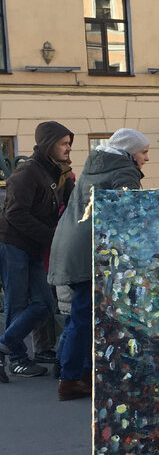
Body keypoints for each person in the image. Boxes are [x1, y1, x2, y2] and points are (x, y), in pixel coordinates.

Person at [49, 129, 150, 401]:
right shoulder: (124, 173)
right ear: (130, 152)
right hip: (89, 250)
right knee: (84, 317)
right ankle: (69, 379)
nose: (146, 158)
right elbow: (131, 216)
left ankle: (81, 374)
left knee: (84, 315)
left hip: (71, 244)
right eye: (144, 152)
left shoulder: (95, 167)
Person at [0, 121, 74, 380]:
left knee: (44, 304)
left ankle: (5, 344)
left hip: (32, 246)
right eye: (63, 144)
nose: (68, 149)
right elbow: (14, 213)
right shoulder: (27, 172)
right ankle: (17, 360)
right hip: (12, 244)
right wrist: (52, 237)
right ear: (48, 144)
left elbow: (72, 203)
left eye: (69, 143)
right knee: (16, 303)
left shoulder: (57, 171)